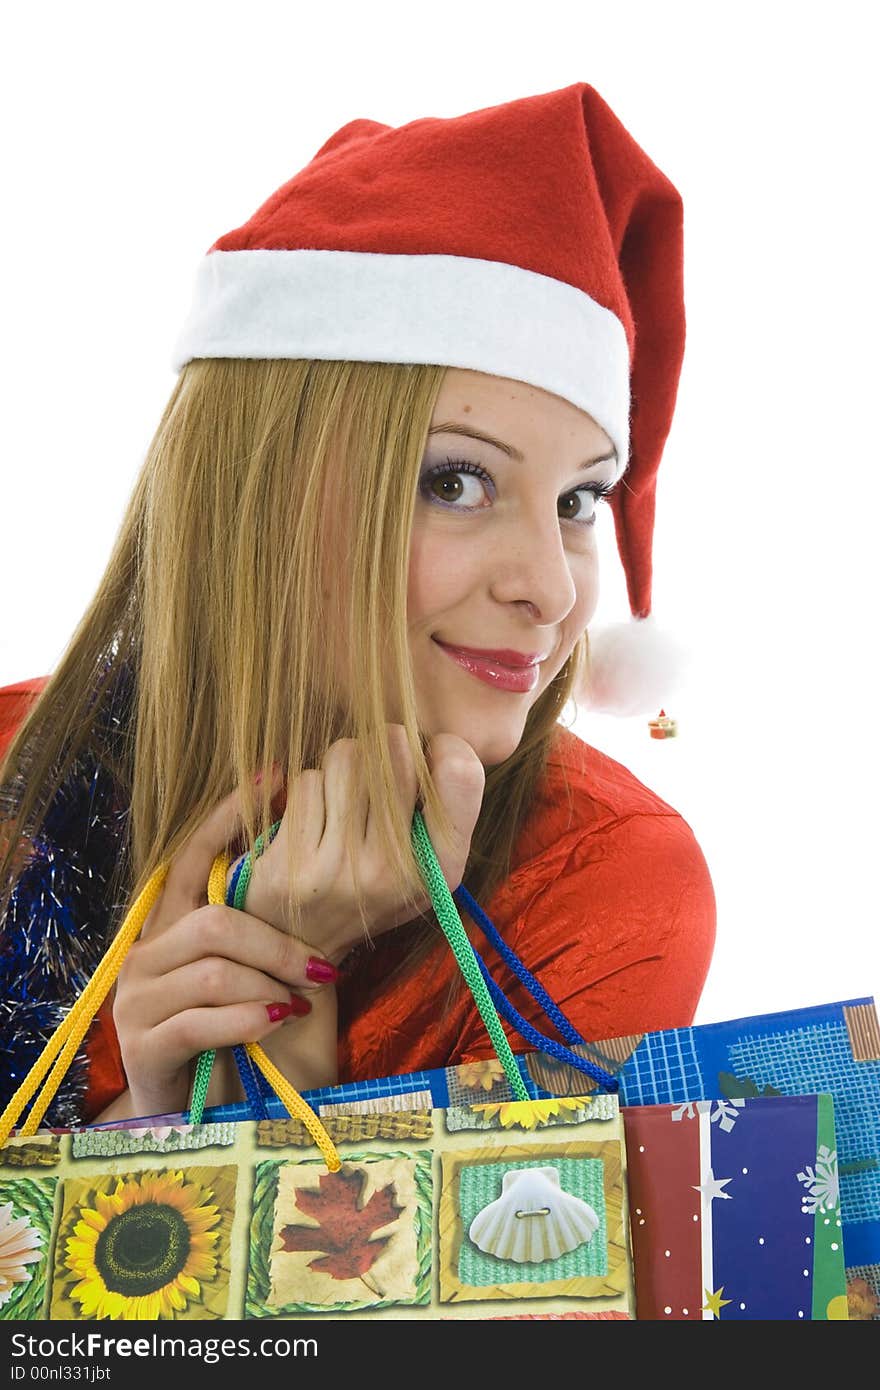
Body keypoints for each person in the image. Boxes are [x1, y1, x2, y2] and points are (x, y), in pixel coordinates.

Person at [0, 81, 716, 1129]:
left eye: (576, 499)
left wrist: (275, 1053)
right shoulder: (17, 764)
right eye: (456, 482)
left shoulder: (605, 875)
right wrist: (138, 1127)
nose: (551, 587)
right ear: (258, 495)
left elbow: (526, 1270)